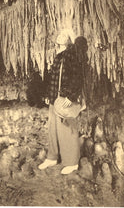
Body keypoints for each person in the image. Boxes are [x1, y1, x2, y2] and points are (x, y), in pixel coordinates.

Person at [38, 30, 84, 175]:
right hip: (54, 99)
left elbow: (77, 77)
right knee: (53, 130)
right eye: (59, 34)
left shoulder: (71, 55)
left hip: (64, 99)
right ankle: (52, 157)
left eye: (65, 35)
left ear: (69, 40)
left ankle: (72, 162)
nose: (60, 35)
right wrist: (48, 95)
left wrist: (70, 97)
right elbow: (53, 78)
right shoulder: (58, 56)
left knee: (66, 130)